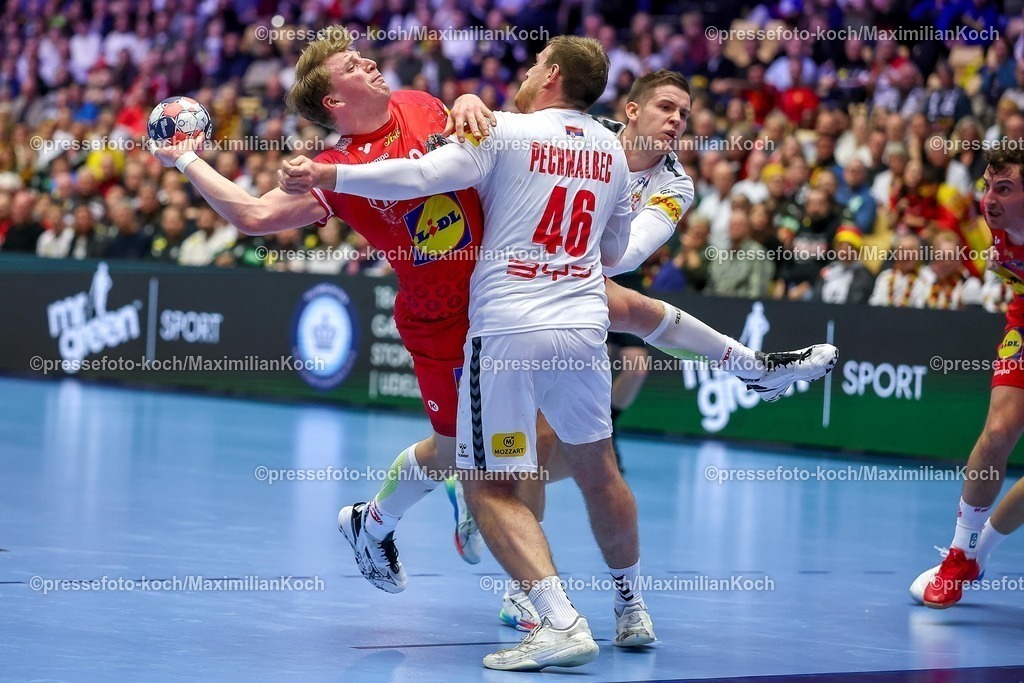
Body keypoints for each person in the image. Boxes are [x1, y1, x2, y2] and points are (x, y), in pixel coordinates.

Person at [151, 24, 837, 632]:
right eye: (353, 69)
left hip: (509, 288)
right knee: (467, 453)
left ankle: (749, 369)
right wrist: (186, 159)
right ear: (333, 102)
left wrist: (475, 105)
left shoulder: (421, 106)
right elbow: (248, 213)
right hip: (439, 318)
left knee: (607, 323)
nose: (370, 66)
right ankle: (377, 524)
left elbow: (506, 137)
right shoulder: (339, 174)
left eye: (365, 58)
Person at [282, 35, 644, 671]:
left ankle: (528, 596)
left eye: (534, 65)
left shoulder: (496, 127)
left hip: (502, 319)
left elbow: (426, 172)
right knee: (544, 466)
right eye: (352, 64)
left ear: (551, 77)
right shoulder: (608, 147)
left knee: (497, 465)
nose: (526, 71)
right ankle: (608, 606)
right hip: (511, 319)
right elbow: (616, 251)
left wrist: (330, 170)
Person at [910, 146, 1024, 608]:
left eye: (1004, 189)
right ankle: (959, 554)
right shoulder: (993, 230)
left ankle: (980, 554)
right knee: (997, 432)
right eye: (987, 187)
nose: (989, 198)